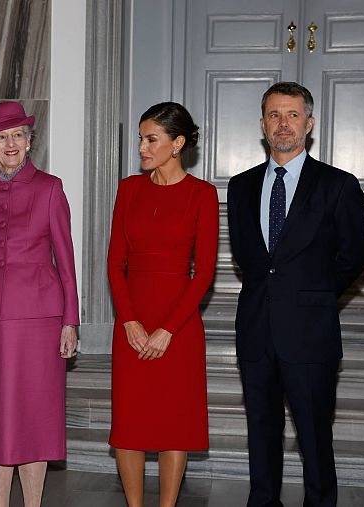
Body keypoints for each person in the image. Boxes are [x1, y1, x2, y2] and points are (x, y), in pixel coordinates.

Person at [226, 82, 364, 507]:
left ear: (309, 124)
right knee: (262, 431)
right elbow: (247, 255)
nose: (282, 124)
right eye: (274, 115)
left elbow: (355, 253)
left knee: (313, 435)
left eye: (292, 115)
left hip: (310, 332)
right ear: (262, 125)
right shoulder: (241, 186)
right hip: (255, 330)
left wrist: (315, 295)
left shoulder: (338, 185)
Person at [0, 101, 80, 507]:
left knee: (35, 420)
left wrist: (70, 321)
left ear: (29, 141)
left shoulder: (50, 188)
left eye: (18, 135)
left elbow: (66, 258)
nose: (11, 143)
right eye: (1, 137)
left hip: (41, 319)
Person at [106, 102, 218, 507]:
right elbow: (114, 263)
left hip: (180, 324)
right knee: (130, 422)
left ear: (178, 144)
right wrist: (129, 321)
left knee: (175, 422)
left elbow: (204, 272)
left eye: (151, 139)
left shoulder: (202, 195)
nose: (142, 147)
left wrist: (169, 329)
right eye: (141, 138)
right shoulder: (128, 189)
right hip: (132, 320)